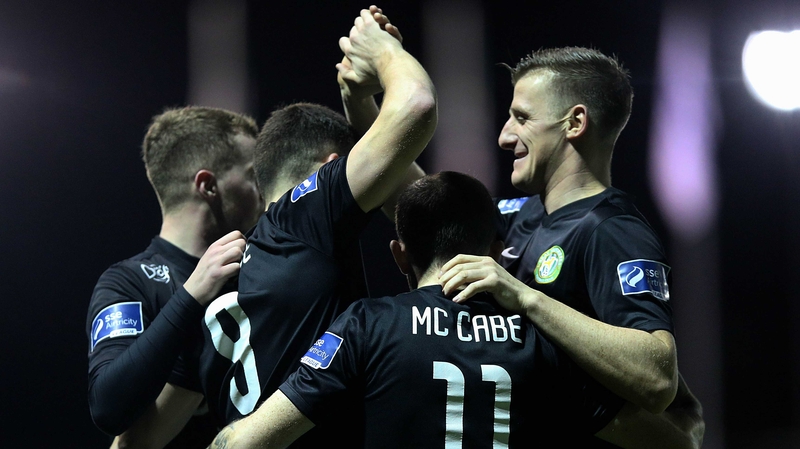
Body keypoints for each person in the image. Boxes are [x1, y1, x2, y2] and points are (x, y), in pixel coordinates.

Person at [205, 172, 701, 449]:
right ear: (494, 247)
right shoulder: (542, 341)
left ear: (400, 253)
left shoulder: (367, 325)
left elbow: (252, 442)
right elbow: (670, 443)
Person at [196, 6, 437, 446]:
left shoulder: (233, 269)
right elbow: (416, 108)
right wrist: (384, 52)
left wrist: (355, 100)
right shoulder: (304, 213)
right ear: (331, 169)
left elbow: (425, 216)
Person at [438, 47, 703, 445]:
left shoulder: (611, 229)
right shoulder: (522, 213)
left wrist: (526, 298)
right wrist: (368, 104)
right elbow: (420, 207)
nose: (505, 136)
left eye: (522, 118)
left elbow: (657, 376)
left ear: (575, 123)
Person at [86, 106, 263, 448]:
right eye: (253, 175)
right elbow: (108, 408)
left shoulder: (257, 271)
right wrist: (192, 297)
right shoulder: (129, 281)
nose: (262, 189)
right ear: (208, 185)